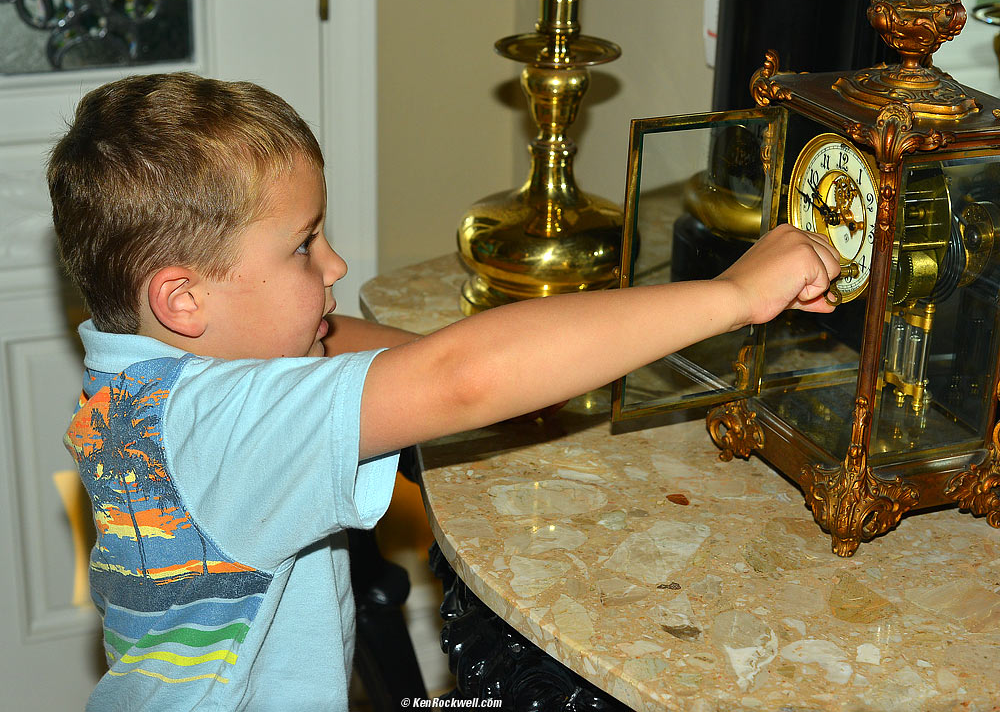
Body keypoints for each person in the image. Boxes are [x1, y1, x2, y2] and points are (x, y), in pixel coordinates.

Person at [48, 72, 840, 711]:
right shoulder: (224, 430)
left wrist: (462, 370)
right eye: (303, 246)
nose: (335, 264)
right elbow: (463, 378)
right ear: (183, 298)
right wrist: (734, 294)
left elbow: (329, 344)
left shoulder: (142, 381)